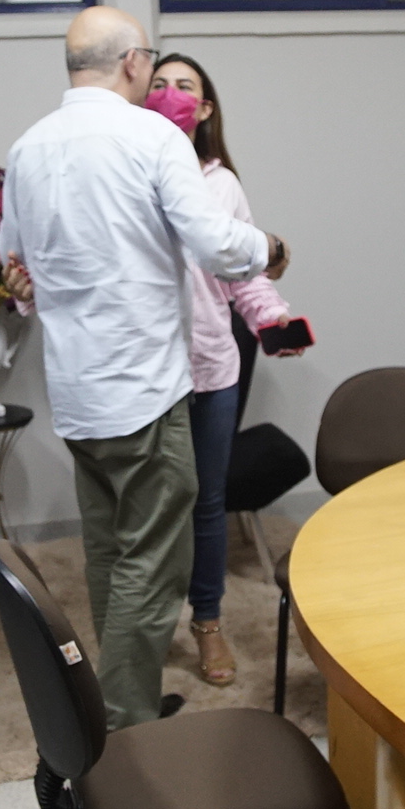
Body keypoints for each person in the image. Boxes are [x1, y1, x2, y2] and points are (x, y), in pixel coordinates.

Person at [0, 7, 290, 729]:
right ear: (133, 62)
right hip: (144, 390)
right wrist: (269, 248)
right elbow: (215, 244)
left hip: (77, 393)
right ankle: (124, 719)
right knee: (154, 561)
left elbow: (14, 260)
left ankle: (118, 689)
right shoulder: (153, 137)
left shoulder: (28, 148)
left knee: (109, 550)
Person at [143, 53, 298, 687]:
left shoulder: (221, 183)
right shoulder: (127, 172)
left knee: (208, 503)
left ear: (205, 108)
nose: (170, 94)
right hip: (148, 373)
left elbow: (245, 271)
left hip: (211, 368)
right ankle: (148, 627)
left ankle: (207, 622)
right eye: (159, 84)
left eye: (185, 87)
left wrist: (275, 319)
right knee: (155, 507)